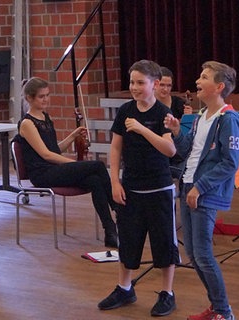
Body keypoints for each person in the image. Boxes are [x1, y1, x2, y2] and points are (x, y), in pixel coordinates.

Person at [97, 60, 179, 317]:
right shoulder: (124, 111)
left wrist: (143, 129)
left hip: (159, 189)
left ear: (155, 85)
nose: (134, 87)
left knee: (164, 242)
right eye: (132, 82)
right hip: (131, 188)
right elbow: (116, 148)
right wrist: (114, 181)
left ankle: (167, 293)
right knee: (129, 240)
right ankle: (124, 287)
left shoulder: (162, 113)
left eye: (140, 82)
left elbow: (170, 150)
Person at [164, 61, 239, 320]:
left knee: (203, 254)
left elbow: (230, 162)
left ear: (219, 87)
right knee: (194, 254)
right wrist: (177, 131)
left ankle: (224, 311)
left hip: (203, 192)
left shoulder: (229, 119)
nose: (198, 80)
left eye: (204, 77)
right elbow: (188, 148)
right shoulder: (200, 117)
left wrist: (200, 187)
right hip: (188, 186)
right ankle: (217, 307)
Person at [16, 77, 118, 248]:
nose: (46, 99)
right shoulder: (27, 123)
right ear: (29, 98)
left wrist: (73, 135)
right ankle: (119, 209)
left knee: (94, 181)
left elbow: (54, 149)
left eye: (47, 95)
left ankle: (110, 232)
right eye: (41, 97)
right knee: (98, 166)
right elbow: (46, 155)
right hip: (42, 174)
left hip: (52, 169)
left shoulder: (45, 118)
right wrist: (71, 164)